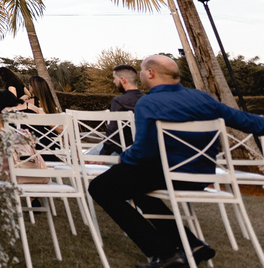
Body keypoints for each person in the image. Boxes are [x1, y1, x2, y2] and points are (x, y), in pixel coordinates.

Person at [87, 54, 264, 268]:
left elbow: (143, 151)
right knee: (134, 187)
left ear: (150, 73)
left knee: (100, 187)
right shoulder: (203, 98)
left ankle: (163, 253)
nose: (142, 74)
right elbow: (251, 123)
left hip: (166, 174)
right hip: (203, 175)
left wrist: (122, 159)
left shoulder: (148, 102)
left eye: (142, 71)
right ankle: (192, 245)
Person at [99, 63, 143, 155]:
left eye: (115, 78)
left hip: (123, 150)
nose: (114, 82)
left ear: (123, 80)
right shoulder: (146, 99)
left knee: (85, 158)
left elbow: (113, 131)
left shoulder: (119, 101)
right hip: (143, 149)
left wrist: (103, 154)